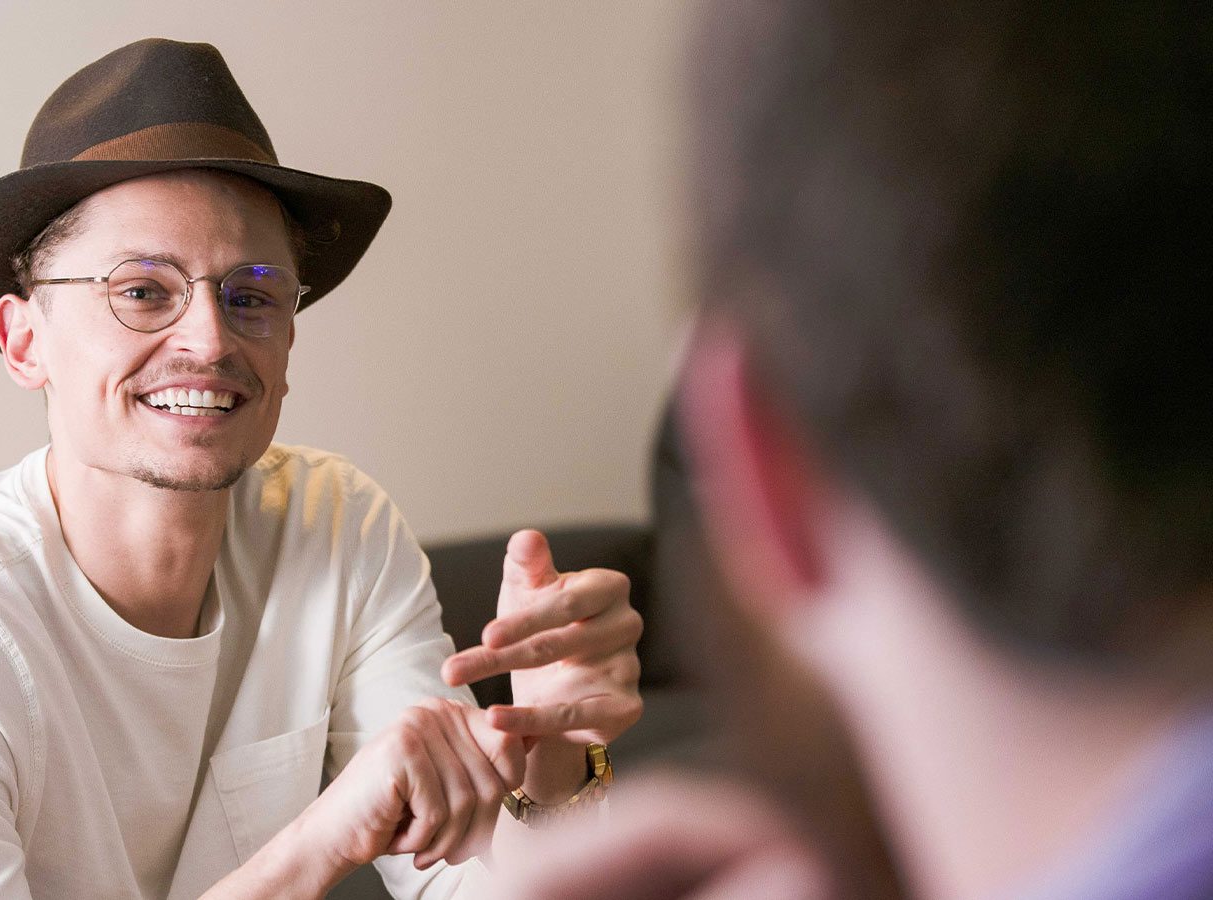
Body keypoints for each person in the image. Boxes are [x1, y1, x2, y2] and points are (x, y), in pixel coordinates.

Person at [0, 39, 642, 900]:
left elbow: (461, 878)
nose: (210, 340)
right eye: (142, 291)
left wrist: (561, 751)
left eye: (250, 295)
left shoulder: (335, 524)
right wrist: (325, 836)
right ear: (25, 341)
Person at [503, 1, 1213, 898]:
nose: (260, 336)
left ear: (753, 459)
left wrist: (555, 795)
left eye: (268, 295)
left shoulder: (355, 532)